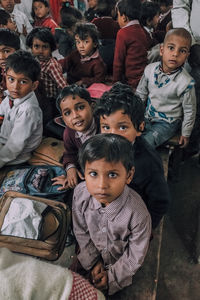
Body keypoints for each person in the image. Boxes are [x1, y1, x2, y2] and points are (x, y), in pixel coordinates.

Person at [72, 133, 151, 295]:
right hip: (90, 255)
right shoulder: (80, 195)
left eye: (112, 175)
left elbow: (135, 255)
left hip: (120, 266)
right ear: (84, 172)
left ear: (129, 175)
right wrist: (92, 263)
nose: (102, 185)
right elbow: (81, 231)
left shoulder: (138, 214)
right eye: (93, 174)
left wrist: (111, 276)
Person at [94, 82, 170, 229]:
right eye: (106, 127)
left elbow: (160, 202)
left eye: (122, 127)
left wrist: (146, 229)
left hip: (132, 216)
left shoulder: (149, 163)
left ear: (140, 127)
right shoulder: (101, 147)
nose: (113, 135)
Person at [136, 28, 196, 149]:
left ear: (187, 56)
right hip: (147, 115)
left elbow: (190, 110)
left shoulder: (186, 82)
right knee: (131, 135)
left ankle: (142, 163)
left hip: (168, 122)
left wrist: (186, 133)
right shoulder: (150, 70)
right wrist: (135, 115)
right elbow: (140, 94)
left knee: (146, 142)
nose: (175, 54)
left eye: (182, 51)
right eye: (171, 48)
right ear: (162, 50)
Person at [0, 50, 42, 168]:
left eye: (23, 82)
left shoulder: (28, 110)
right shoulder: (10, 96)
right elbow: (1, 113)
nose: (15, 86)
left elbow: (15, 146)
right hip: (4, 143)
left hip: (17, 156)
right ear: (5, 76)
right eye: (11, 79)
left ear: (34, 85)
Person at [52, 84, 96, 190]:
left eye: (80, 107)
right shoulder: (69, 133)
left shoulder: (105, 127)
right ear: (63, 119)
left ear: (92, 106)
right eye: (68, 113)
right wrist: (70, 168)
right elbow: (69, 154)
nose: (75, 115)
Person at [172, 0, 200, 157]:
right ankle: (191, 150)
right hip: (196, 47)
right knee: (193, 102)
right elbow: (181, 6)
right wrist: (190, 44)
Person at [26, 27, 67, 110]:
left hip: (50, 102)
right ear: (31, 47)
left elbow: (63, 86)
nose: (40, 51)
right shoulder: (34, 60)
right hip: (37, 97)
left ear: (51, 48)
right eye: (36, 46)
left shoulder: (52, 65)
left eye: (45, 47)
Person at [113, 0, 148, 90]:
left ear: (124, 17)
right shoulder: (142, 30)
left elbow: (118, 61)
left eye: (118, 15)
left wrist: (115, 84)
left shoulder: (123, 33)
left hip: (131, 81)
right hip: (143, 77)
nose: (117, 20)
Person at [59, 22, 106, 87]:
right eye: (78, 42)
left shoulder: (98, 63)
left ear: (95, 43)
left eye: (86, 42)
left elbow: (99, 80)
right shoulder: (74, 54)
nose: (81, 46)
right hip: (70, 86)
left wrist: (83, 81)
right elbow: (64, 63)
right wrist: (57, 66)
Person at [0, 29, 20, 103]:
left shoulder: (23, 73)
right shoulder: (3, 69)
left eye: (6, 51)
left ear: (17, 51)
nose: (1, 57)